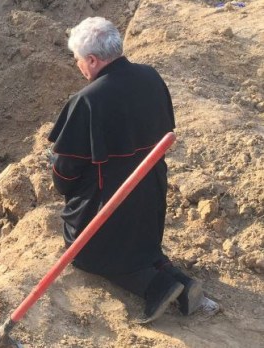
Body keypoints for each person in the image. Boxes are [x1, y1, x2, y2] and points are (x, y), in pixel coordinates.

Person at [47, 17, 218, 323]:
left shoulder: (87, 100)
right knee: (143, 250)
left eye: (78, 61)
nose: (79, 68)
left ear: (93, 60)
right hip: (152, 201)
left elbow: (65, 176)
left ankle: (158, 286)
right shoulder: (151, 77)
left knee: (82, 251)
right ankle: (185, 283)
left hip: (110, 211)